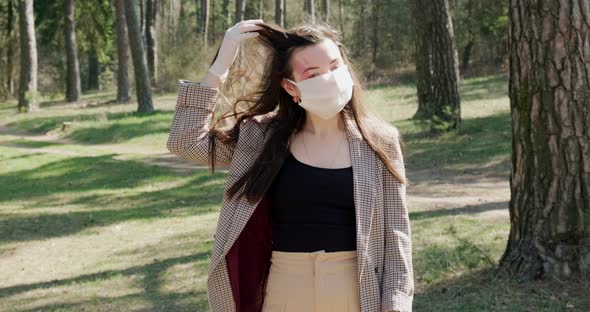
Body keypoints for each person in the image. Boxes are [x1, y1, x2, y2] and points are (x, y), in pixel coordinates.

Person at [167, 19, 414, 312]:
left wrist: (397, 306)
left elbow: (397, 237)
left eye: (335, 66)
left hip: (357, 293)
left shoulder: (380, 141)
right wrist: (221, 63)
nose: (330, 78)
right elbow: (185, 142)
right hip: (284, 291)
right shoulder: (261, 138)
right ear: (290, 87)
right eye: (314, 73)